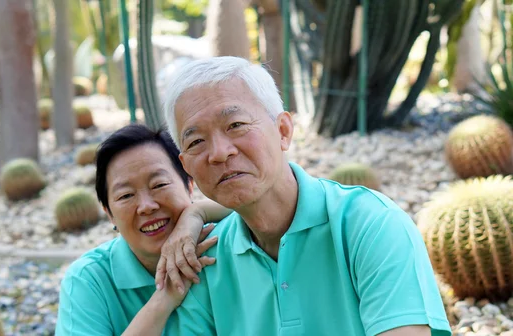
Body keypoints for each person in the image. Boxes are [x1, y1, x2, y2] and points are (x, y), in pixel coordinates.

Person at [158, 56, 452, 336]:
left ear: (283, 130)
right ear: (186, 167)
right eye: (196, 141)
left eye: (236, 125)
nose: (220, 152)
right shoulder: (206, 261)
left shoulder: (371, 226)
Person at [55, 124, 232, 336]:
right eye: (126, 196)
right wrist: (163, 298)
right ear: (109, 213)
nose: (146, 206)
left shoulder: (227, 243)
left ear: (189, 185)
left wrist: (198, 213)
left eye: (159, 185)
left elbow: (271, 198)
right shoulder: (89, 280)